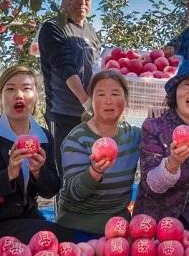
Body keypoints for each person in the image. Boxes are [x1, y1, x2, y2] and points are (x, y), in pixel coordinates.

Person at [0, 66, 75, 253]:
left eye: (26, 88)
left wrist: (38, 171)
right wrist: (9, 173)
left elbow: (50, 190)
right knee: (55, 239)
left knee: (67, 240)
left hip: (27, 218)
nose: (19, 95)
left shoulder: (43, 137)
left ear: (35, 96)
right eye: (10, 89)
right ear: (1, 96)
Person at [134, 59, 189, 234]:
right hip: (151, 224)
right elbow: (151, 184)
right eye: (187, 84)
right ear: (175, 92)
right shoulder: (154, 126)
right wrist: (172, 164)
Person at [56, 70, 141, 237]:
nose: (108, 101)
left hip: (119, 229)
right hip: (78, 227)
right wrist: (94, 172)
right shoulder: (77, 139)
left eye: (115, 93)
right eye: (100, 94)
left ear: (125, 100)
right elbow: (73, 194)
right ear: (91, 101)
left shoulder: (134, 136)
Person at [38, 0, 102, 170]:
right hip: (63, 114)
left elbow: (98, 67)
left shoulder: (91, 31)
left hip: (91, 115)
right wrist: (86, 100)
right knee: (66, 170)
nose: (82, 1)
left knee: (89, 167)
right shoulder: (53, 27)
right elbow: (64, 66)